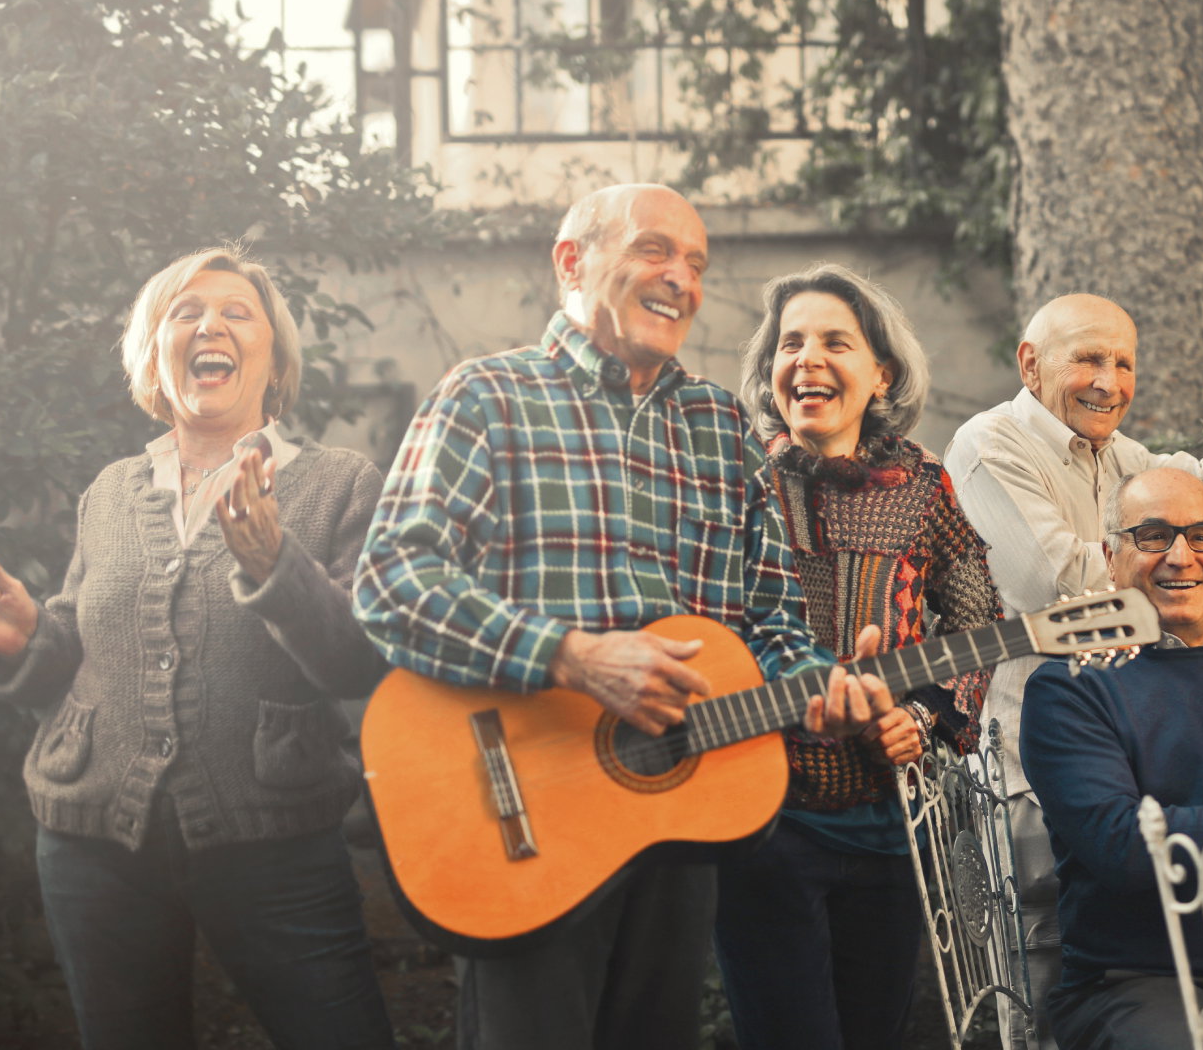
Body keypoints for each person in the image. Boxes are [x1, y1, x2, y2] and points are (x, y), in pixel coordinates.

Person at [352, 185, 893, 1050]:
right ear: (573, 261)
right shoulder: (487, 397)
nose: (680, 278)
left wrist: (822, 685)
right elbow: (391, 579)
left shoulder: (721, 427)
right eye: (654, 251)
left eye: (696, 264)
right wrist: (567, 657)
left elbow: (770, 624)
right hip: (517, 816)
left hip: (677, 821)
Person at [0, 248, 396, 1049]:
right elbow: (80, 650)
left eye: (235, 313)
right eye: (184, 313)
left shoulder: (341, 483)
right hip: (92, 841)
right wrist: (23, 642)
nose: (208, 325)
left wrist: (273, 564)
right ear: (155, 352)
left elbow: (356, 660)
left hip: (275, 839)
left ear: (274, 358)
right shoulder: (113, 491)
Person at [941, 292, 1203, 1049]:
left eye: (1124, 363)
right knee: (1044, 976)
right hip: (1031, 753)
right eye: (1089, 359)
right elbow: (1058, 581)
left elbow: (1191, 494)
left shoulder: (1120, 456)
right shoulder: (989, 444)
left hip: (1135, 739)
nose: (1110, 381)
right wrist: (1161, 549)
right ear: (1030, 365)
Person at [719, 263, 1003, 1049]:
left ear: (880, 373)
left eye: (834, 342)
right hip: (762, 820)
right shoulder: (735, 482)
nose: (806, 358)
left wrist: (923, 715)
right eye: (790, 343)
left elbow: (977, 609)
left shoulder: (923, 485)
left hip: (889, 823)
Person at [1020, 467, 1203, 1050]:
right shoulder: (1069, 687)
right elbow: (1127, 849)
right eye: (1153, 536)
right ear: (1110, 556)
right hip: (1139, 980)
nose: (1182, 556)